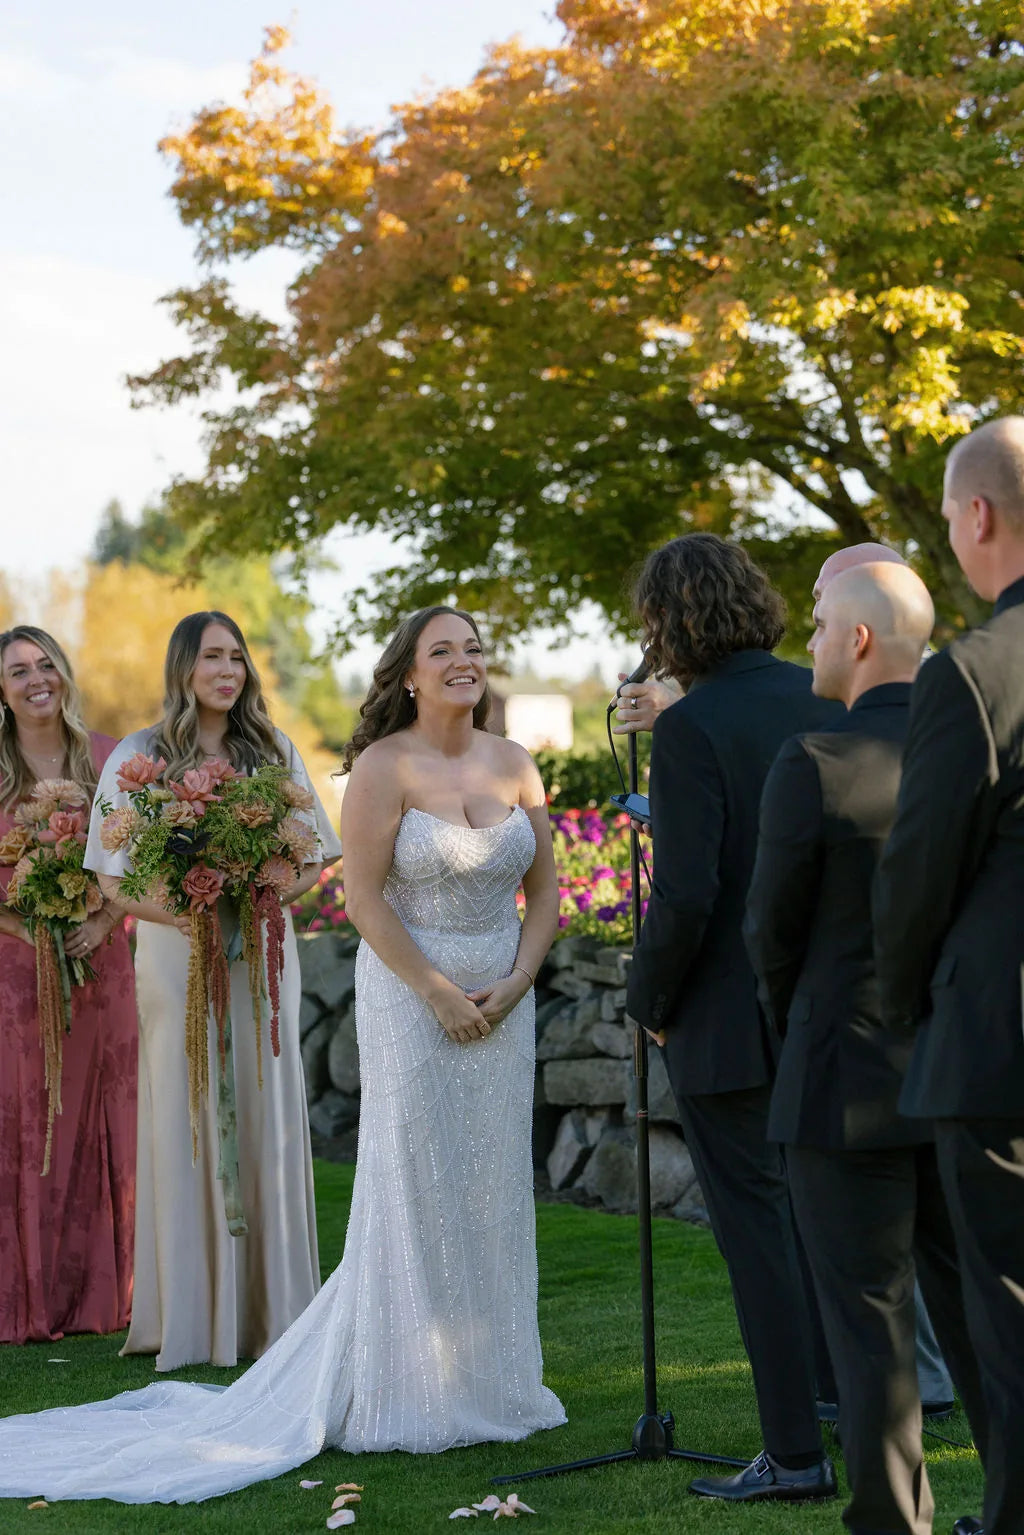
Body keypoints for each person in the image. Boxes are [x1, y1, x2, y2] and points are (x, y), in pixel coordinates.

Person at [0, 605, 565, 1505]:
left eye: (473, 648)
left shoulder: (505, 763)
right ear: (409, 674)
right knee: (392, 1177)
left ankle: (488, 1374)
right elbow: (363, 896)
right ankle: (346, 1360)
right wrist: (433, 989)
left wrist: (522, 974)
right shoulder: (361, 766)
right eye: (441, 650)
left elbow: (539, 890)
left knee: (492, 1187)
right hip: (364, 991)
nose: (464, 661)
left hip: (488, 1002)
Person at [745, 564, 987, 1535]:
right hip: (957, 1071)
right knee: (979, 1319)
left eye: (812, 626)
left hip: (836, 1079)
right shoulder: (971, 753)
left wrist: (795, 1019)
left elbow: (771, 934)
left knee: (866, 1322)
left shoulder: (813, 756)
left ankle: (893, 1520)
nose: (804, 641)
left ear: (854, 641)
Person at [624, 533, 841, 1503]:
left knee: (757, 1235)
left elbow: (685, 894)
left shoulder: (691, 726)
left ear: (672, 620)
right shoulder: (825, 693)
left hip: (724, 1016)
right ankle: (841, 1410)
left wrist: (647, 1000)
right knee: (836, 1227)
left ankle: (794, 1453)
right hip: (832, 1004)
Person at [83, 611, 341, 1372]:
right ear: (183, 667)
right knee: (184, 1108)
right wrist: (194, 913)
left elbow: (312, 857)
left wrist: (260, 897)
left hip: (260, 952)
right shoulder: (137, 757)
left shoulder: (274, 751)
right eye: (212, 656)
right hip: (175, 956)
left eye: (237, 656)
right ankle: (189, 1313)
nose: (228, 670)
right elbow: (111, 876)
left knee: (265, 1102)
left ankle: (273, 1307)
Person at [875, 417, 1024, 1535]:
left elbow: (916, 876)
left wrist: (904, 996)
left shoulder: (970, 673)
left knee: (1007, 1304)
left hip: (997, 1040)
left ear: (976, 517)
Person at [0, 626, 136, 1345]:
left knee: (101, 1117)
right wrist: (27, 929)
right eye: (17, 670)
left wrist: (105, 916)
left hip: (102, 966)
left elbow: (143, 857)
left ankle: (105, 1294)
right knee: (25, 1122)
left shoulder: (109, 758)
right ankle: (26, 1298)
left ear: (65, 673)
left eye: (45, 663)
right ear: (1, 690)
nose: (35, 679)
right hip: (16, 976)